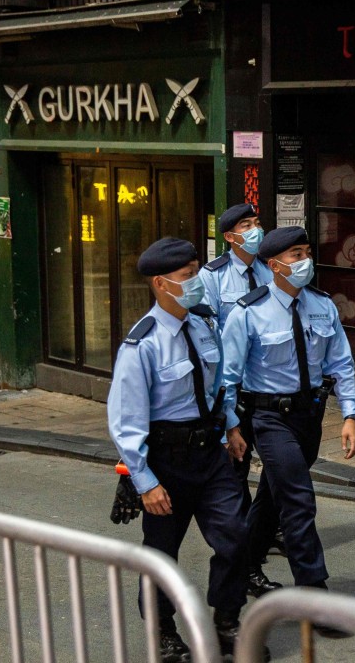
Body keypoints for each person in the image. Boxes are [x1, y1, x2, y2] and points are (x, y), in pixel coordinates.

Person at [107, 237, 265, 662]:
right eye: (188, 276)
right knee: (161, 556)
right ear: (161, 283)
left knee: (235, 537)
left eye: (197, 271)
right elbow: (126, 423)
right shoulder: (142, 344)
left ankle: (227, 622)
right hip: (166, 462)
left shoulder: (203, 322)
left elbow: (217, 386)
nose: (197, 281)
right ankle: (163, 631)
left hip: (211, 455)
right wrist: (144, 482)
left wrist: (231, 426)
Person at [220, 226, 355, 636]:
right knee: (298, 499)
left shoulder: (321, 305)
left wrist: (350, 415)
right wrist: (230, 426)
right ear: (273, 264)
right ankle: (313, 595)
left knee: (274, 497)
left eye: (306, 252)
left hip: (309, 416)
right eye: (295, 255)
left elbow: (341, 364)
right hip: (269, 418)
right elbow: (227, 378)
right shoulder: (248, 311)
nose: (304, 261)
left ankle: (244, 564)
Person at [199, 203, 285, 599]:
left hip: (267, 390)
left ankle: (264, 529)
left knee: (278, 465)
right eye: (246, 226)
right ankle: (244, 559)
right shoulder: (212, 277)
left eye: (257, 222)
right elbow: (209, 336)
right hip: (233, 391)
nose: (255, 230)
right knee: (236, 472)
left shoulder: (271, 270)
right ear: (230, 236)